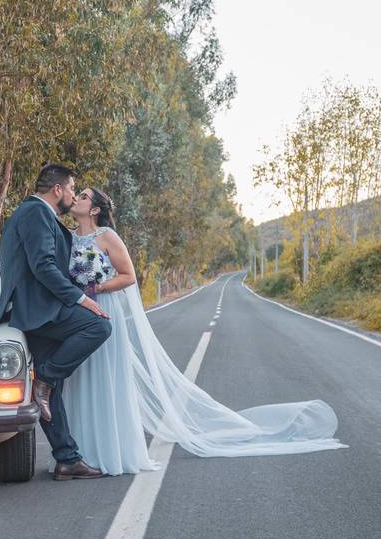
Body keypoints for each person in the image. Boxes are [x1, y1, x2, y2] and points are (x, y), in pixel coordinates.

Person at [61, 188, 347, 475]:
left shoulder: (107, 237)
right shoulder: (69, 236)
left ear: (95, 209)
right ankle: (80, 454)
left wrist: (95, 287)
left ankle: (111, 454)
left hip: (104, 309)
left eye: (83, 196)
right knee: (81, 376)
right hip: (79, 312)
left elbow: (128, 276)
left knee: (106, 378)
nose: (77, 198)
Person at [0, 165, 113, 481]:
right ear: (58, 189)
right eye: (72, 188)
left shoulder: (37, 214)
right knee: (98, 327)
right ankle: (42, 381)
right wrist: (81, 299)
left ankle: (66, 459)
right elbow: (43, 265)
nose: (73, 195)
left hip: (37, 310)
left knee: (51, 394)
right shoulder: (36, 212)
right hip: (41, 310)